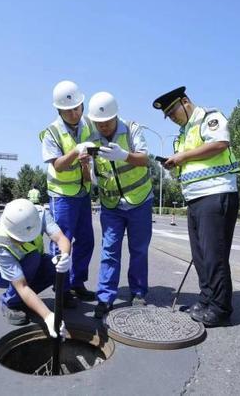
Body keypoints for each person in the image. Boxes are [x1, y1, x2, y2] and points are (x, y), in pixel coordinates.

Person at [152, 86, 240, 327]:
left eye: (173, 112)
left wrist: (183, 157)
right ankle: (206, 300)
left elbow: (220, 143)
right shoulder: (184, 133)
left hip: (216, 194)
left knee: (214, 256)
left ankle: (221, 309)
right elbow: (190, 161)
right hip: (196, 199)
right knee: (200, 256)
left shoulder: (208, 118)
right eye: (168, 116)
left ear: (185, 101)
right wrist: (175, 162)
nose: (172, 118)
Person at [87, 92, 153, 318]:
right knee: (109, 250)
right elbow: (90, 174)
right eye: (99, 123)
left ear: (116, 116)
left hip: (139, 201)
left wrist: (124, 155)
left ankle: (138, 293)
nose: (103, 127)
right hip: (111, 204)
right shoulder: (91, 136)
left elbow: (145, 158)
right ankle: (105, 298)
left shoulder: (132, 129)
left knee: (139, 250)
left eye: (107, 122)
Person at [0, 198, 74, 337]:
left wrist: (65, 256)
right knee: (32, 260)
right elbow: (21, 285)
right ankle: (11, 303)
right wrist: (47, 316)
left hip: (28, 262)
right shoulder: (0, 244)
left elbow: (61, 239)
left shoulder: (38, 214)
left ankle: (36, 298)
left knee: (54, 265)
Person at [39, 80, 97, 302]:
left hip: (83, 192)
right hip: (62, 195)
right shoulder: (51, 132)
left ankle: (77, 282)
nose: (74, 113)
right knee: (62, 241)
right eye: (68, 110)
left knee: (86, 240)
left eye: (77, 108)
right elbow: (59, 165)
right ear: (58, 110)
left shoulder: (88, 125)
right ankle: (61, 288)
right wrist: (76, 151)